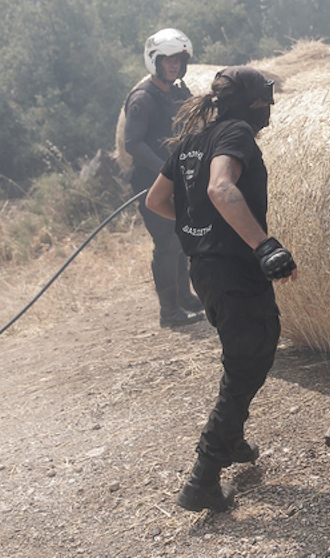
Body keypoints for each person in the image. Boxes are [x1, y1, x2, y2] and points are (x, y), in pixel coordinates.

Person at [145, 65, 296, 513]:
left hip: (204, 270)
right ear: (252, 101)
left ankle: (232, 440)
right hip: (233, 269)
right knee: (248, 361)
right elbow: (220, 186)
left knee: (252, 349)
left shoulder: (191, 141)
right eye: (265, 96)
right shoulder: (235, 134)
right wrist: (264, 245)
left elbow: (156, 201)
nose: (269, 105)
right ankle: (204, 476)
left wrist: (200, 228)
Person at [123, 28, 204, 329]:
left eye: (178, 60)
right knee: (167, 241)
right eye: (168, 60)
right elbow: (132, 143)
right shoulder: (142, 99)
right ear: (155, 61)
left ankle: (184, 296)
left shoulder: (179, 93)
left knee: (181, 238)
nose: (173, 65)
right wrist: (164, 170)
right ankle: (168, 311)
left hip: (177, 179)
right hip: (149, 181)